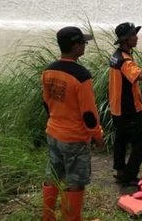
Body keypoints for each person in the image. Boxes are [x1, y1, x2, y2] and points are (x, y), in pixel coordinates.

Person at [41, 26, 105, 221]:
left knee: (53, 174)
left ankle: (48, 217)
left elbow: (46, 102)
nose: (85, 46)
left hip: (53, 132)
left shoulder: (48, 70)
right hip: (74, 137)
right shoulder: (81, 75)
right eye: (83, 43)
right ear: (75, 46)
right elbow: (89, 115)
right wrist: (97, 136)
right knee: (75, 181)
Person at [109, 22, 142, 186]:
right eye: (133, 35)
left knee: (121, 140)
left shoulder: (115, 55)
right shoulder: (124, 60)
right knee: (141, 143)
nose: (136, 38)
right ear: (125, 39)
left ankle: (120, 170)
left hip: (117, 107)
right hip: (128, 108)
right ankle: (128, 177)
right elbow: (141, 75)